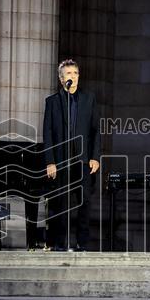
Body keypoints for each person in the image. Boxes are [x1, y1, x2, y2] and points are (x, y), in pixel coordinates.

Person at [42, 59, 101, 251]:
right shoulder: (53, 102)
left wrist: (95, 157)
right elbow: (48, 132)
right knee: (61, 203)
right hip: (60, 161)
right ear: (61, 79)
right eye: (68, 74)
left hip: (82, 161)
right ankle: (60, 244)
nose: (73, 77)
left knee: (84, 202)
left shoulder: (88, 99)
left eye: (75, 73)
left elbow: (95, 130)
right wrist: (50, 161)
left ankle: (82, 244)